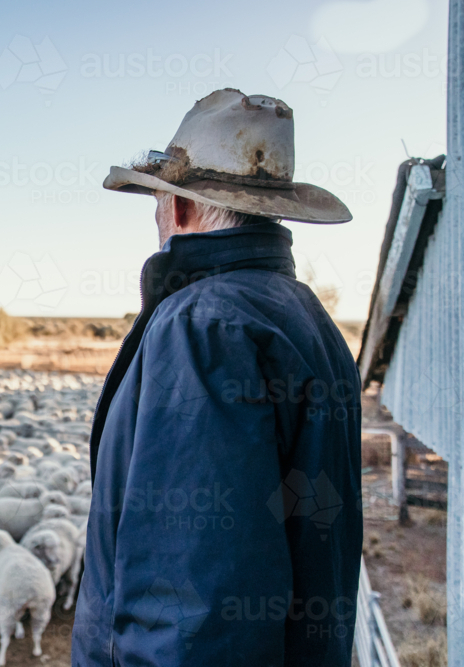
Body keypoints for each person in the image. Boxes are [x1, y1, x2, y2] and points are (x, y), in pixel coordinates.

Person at [71, 88, 362, 666]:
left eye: (157, 200)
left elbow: (191, 606)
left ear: (178, 208)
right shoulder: (306, 319)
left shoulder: (202, 327)